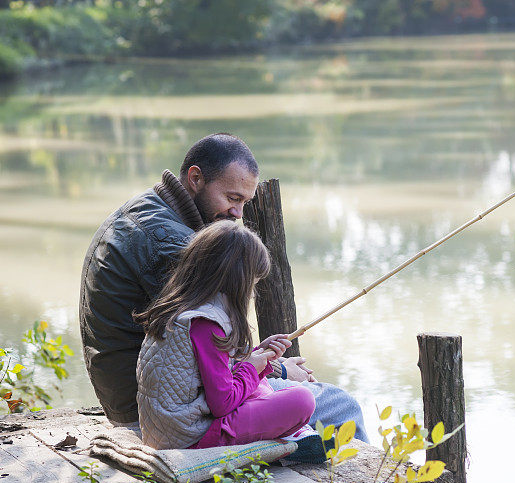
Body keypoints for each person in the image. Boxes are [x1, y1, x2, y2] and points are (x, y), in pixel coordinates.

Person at [79, 133, 367, 442]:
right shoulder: (173, 244)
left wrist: (263, 360)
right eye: (232, 198)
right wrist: (276, 370)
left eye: (245, 202)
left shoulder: (149, 207)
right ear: (196, 178)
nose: (239, 214)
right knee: (341, 406)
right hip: (159, 414)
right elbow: (208, 361)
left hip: (145, 398)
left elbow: (195, 351)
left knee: (302, 397)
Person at [134, 221, 326, 459]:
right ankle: (290, 435)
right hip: (191, 438)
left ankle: (286, 431)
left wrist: (257, 355)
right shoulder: (206, 323)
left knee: (261, 384)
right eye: (253, 284)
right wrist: (251, 367)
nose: (253, 292)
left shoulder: (186, 308)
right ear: (237, 280)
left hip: (168, 429)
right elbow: (222, 403)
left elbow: (211, 370)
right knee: (302, 400)